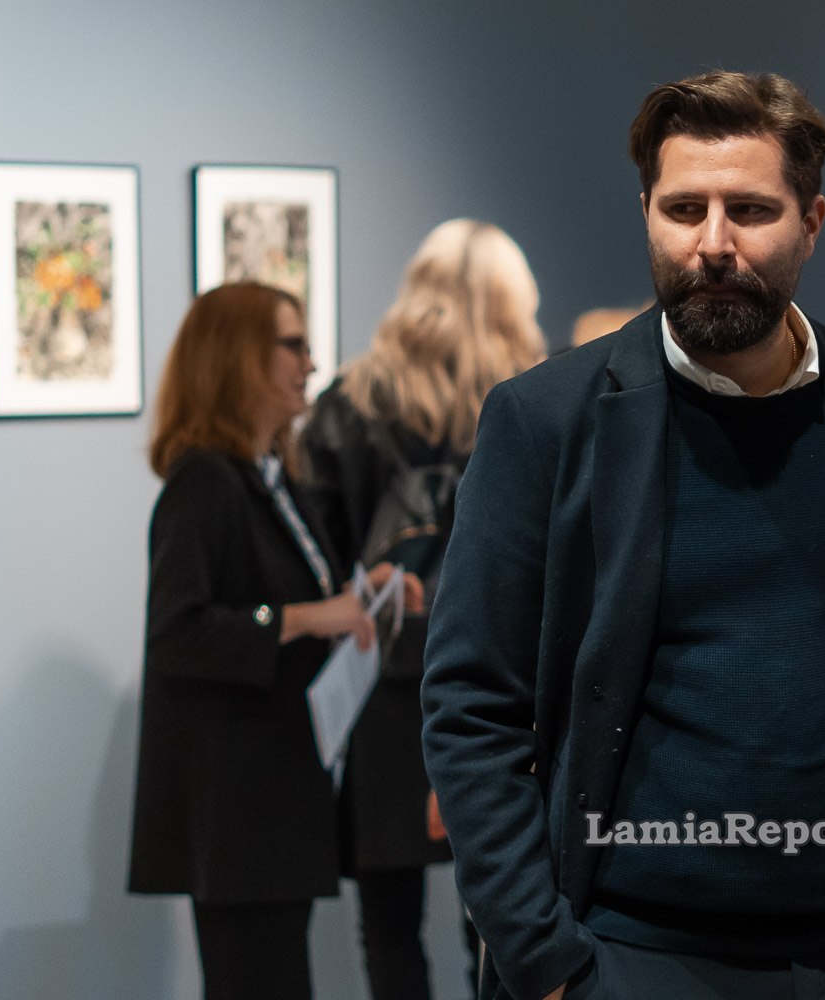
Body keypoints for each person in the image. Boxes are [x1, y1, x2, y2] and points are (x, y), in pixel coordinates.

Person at [421, 71, 825, 1000]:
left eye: (749, 210)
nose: (712, 243)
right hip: (633, 957)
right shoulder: (544, 420)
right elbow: (471, 703)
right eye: (683, 209)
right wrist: (544, 961)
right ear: (647, 215)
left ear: (811, 222)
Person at [128, 282, 420, 1000]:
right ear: (236, 358)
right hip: (238, 811)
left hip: (278, 796)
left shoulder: (274, 480)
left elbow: (297, 595)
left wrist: (363, 596)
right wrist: (307, 617)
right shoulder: (204, 483)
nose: (311, 363)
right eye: (293, 345)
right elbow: (176, 633)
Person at [301, 219, 548, 1000]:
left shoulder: (351, 401)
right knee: (504, 912)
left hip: (382, 680)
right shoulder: (539, 399)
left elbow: (318, 549)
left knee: (389, 923)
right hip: (507, 681)